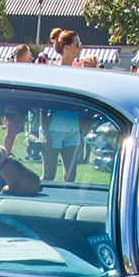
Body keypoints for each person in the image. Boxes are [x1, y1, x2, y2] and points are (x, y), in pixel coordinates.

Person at [40, 29, 84, 183]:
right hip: (53, 129)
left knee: (70, 176)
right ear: (66, 47)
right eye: (76, 44)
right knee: (49, 175)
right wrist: (44, 132)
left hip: (73, 130)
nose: (80, 48)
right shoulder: (53, 72)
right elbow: (44, 104)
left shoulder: (79, 73)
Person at [3, 43, 34, 154]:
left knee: (14, 130)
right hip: (13, 105)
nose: (30, 56)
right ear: (23, 54)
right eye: (28, 54)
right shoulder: (14, 68)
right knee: (11, 130)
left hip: (21, 104)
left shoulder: (26, 68)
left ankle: (8, 151)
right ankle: (6, 152)